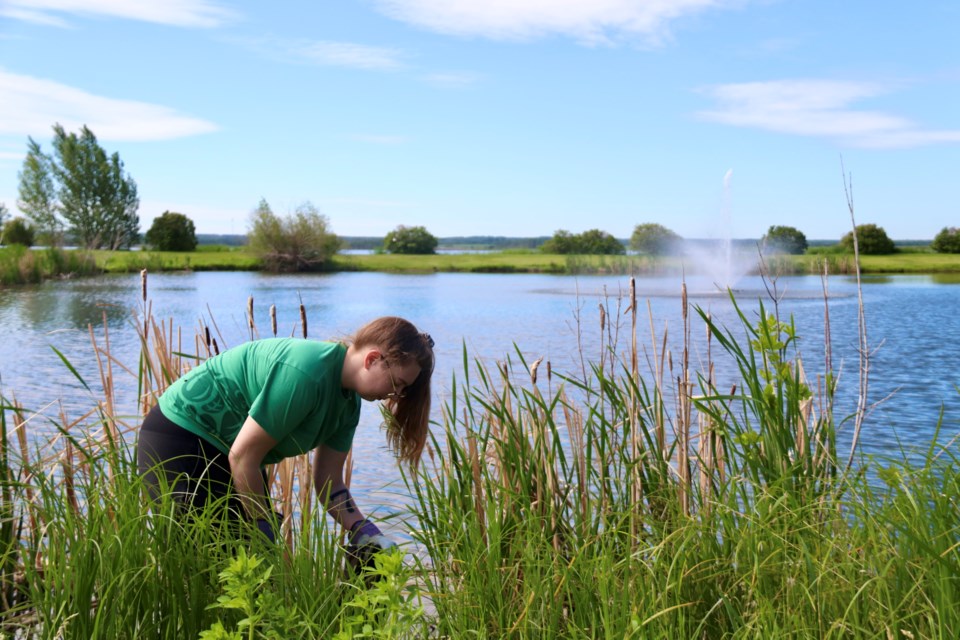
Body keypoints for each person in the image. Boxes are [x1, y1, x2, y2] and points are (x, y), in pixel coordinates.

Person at [136, 315, 434, 562]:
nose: (393, 397)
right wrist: (261, 526)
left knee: (246, 566)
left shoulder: (348, 406)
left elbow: (329, 481)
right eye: (397, 384)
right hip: (180, 437)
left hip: (227, 454)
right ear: (372, 359)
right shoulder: (306, 372)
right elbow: (243, 457)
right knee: (214, 563)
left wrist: (361, 527)